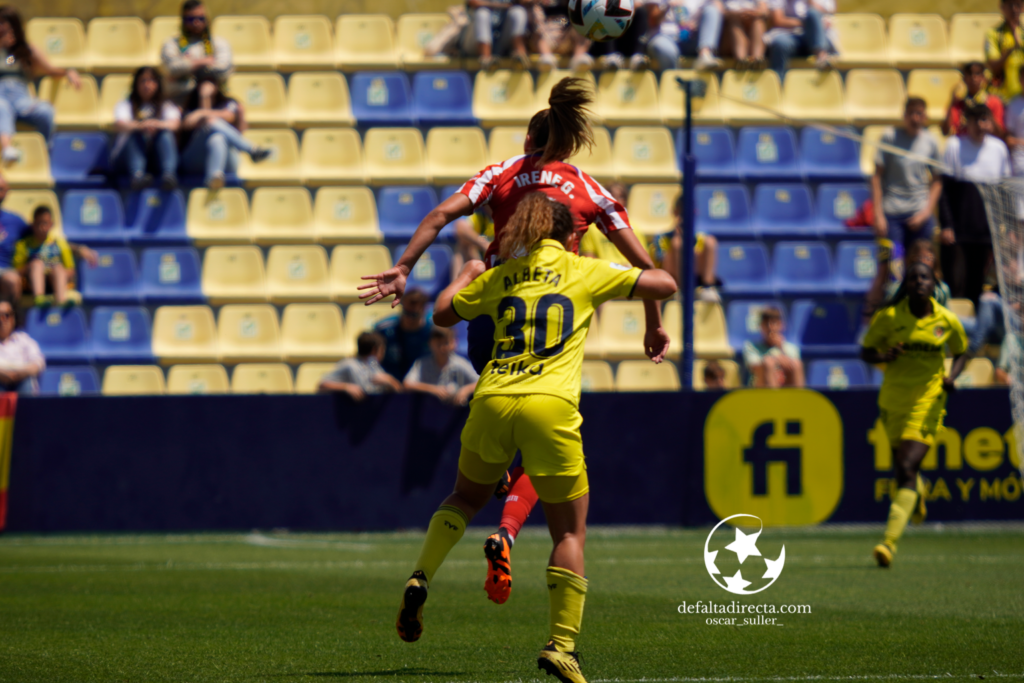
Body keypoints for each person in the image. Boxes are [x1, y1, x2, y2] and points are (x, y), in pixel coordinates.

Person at [361, 79, 670, 608]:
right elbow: (648, 267)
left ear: (529, 136)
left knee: (495, 448)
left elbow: (439, 216)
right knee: (545, 445)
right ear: (569, 141)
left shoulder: (501, 172)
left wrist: (403, 267)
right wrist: (651, 321)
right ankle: (506, 534)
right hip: (556, 313)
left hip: (493, 312)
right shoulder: (587, 186)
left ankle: (485, 529)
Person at [393, 194, 678, 683]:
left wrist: (464, 277)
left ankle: (421, 575)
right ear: (572, 234)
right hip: (550, 405)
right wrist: (616, 268)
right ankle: (561, 646)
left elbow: (442, 314)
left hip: (493, 398)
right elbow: (664, 282)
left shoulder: (504, 276)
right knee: (568, 531)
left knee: (464, 495)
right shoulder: (583, 268)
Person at [861, 262, 968, 567]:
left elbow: (961, 351)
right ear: (906, 285)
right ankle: (916, 493)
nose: (919, 282)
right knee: (904, 469)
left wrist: (951, 377)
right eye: (913, 278)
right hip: (893, 400)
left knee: (906, 464)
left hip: (928, 400)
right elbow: (867, 351)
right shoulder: (890, 318)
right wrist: (884, 355)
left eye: (925, 277)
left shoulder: (946, 320)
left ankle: (888, 544)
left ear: (934, 284)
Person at [939, 103, 1011, 305]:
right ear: (967, 123)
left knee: (978, 285)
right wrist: (947, 224)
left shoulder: (998, 148)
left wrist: (1003, 226)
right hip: (959, 232)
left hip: (986, 231)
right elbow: (945, 191)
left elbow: (1003, 192)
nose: (981, 125)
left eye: (985, 119)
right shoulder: (954, 145)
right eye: (976, 120)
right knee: (957, 284)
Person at [0, 5, 80, 163]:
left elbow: (49, 69)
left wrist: (67, 72)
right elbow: (5, 63)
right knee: (1, 108)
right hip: (1, 98)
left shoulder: (24, 51)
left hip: (21, 99)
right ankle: (7, 147)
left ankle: (45, 150)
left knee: (46, 111)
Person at [871, 98, 943, 263]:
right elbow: (876, 178)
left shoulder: (931, 142)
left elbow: (937, 181)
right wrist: (878, 214)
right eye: (911, 113)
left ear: (925, 117)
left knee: (921, 265)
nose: (915, 118)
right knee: (892, 268)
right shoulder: (889, 138)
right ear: (904, 115)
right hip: (892, 215)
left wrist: (925, 213)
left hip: (919, 214)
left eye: (919, 114)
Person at [178, 75, 269, 190]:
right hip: (194, 161)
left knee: (217, 137)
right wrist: (204, 98)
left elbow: (228, 116)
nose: (207, 86)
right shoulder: (190, 105)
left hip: (227, 160)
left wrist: (201, 113)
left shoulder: (229, 103)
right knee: (211, 124)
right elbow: (188, 124)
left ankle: (215, 177)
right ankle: (252, 149)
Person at [112, 67, 181, 192]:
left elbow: (175, 124)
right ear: (136, 84)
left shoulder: (166, 105)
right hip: (125, 158)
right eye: (142, 81)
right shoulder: (125, 105)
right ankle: (137, 176)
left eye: (151, 81)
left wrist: (156, 124)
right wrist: (141, 126)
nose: (147, 85)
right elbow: (120, 124)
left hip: (153, 157)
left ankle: (168, 175)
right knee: (136, 134)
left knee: (165, 134)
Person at [160, 0, 233, 103]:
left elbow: (223, 69)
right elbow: (171, 68)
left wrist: (187, 67)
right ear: (183, 20)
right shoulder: (172, 43)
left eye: (201, 18)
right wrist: (203, 62)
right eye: (191, 19)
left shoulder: (219, 43)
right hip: (179, 99)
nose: (196, 23)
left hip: (212, 99)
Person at [462, 0, 554, 70]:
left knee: (518, 12)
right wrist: (501, 6)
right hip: (474, 44)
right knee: (482, 13)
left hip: (500, 40)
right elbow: (474, 2)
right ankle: (486, 60)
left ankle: (520, 56)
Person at [13, 206, 75, 307]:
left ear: (51, 224)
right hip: (31, 284)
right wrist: (31, 266)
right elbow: (16, 270)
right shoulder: (23, 244)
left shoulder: (59, 243)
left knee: (57, 267)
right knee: (37, 264)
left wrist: (53, 270)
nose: (42, 227)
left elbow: (70, 270)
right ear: (33, 225)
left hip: (54, 282)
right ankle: (39, 298)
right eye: (38, 224)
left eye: (45, 223)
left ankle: (61, 300)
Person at [404, 326, 479, 406]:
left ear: (453, 343)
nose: (442, 348)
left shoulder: (460, 364)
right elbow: (407, 384)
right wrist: (433, 389)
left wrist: (465, 390)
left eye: (446, 343)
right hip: (428, 411)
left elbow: (480, 382)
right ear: (430, 343)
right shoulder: (422, 364)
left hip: (454, 412)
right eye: (438, 344)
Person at [317, 332, 403, 400]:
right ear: (374, 350)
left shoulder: (374, 366)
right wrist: (346, 387)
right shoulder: (349, 364)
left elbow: (399, 391)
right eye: (382, 349)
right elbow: (322, 385)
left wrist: (390, 381)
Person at [764, 0, 838, 79]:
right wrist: (805, 23)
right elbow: (778, 20)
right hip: (790, 36)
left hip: (815, 37)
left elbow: (827, 14)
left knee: (813, 13)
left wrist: (810, 2)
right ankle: (778, 83)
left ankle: (822, 57)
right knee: (780, 43)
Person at [646, 0, 724, 72]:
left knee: (712, 10)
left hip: (693, 39)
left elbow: (720, 11)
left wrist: (696, 25)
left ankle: (705, 55)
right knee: (660, 45)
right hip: (666, 38)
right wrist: (667, 6)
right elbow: (652, 20)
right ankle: (675, 78)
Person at [376, 289, 433, 380]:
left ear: (424, 310)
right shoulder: (384, 329)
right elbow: (368, 359)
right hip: (389, 387)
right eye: (406, 313)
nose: (408, 318)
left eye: (414, 315)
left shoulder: (433, 330)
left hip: (424, 386)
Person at [742, 307, 804, 387]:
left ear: (781, 325)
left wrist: (780, 348)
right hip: (760, 391)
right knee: (768, 363)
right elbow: (756, 368)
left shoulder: (791, 348)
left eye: (774, 323)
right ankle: (772, 398)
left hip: (785, 386)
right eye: (766, 324)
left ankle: (797, 398)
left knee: (796, 364)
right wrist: (776, 359)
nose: (770, 328)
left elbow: (793, 368)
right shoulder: (751, 346)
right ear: (761, 326)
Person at [945, 61, 1005, 137]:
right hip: (965, 143)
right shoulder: (958, 105)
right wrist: (951, 104)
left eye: (977, 73)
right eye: (969, 74)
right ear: (964, 78)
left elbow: (1000, 133)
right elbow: (945, 131)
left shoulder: (993, 102)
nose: (973, 77)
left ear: (983, 77)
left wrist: (987, 113)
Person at [0, 296, 43, 394]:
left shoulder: (24, 340)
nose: (3, 319)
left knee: (27, 382)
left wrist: (20, 373)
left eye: (7, 315)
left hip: (23, 380)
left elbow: (38, 363)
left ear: (13, 319)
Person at [985, 0, 1024, 104]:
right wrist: (1011, 49)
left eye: (1018, 5)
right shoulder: (993, 34)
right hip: (1003, 98)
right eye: (1010, 5)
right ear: (1002, 8)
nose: (1014, 9)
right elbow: (993, 66)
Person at [0, 176, 27, 300]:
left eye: (1, 189)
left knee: (12, 280)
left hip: (5, 270)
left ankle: (10, 317)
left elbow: (43, 237)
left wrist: (79, 249)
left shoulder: (15, 221)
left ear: (7, 192)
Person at [722, 0, 768, 69]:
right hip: (728, 35)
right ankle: (741, 60)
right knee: (734, 22)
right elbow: (720, 12)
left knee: (758, 22)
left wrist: (752, 14)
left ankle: (757, 60)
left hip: (750, 27)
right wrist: (735, 14)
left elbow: (765, 12)